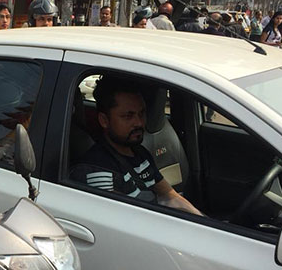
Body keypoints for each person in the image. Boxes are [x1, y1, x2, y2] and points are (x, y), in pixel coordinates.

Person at [70, 75, 202, 215]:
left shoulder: (140, 153)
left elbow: (169, 195)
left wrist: (202, 221)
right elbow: (120, 220)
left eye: (141, 113)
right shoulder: (97, 169)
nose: (139, 123)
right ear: (104, 120)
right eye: (128, 116)